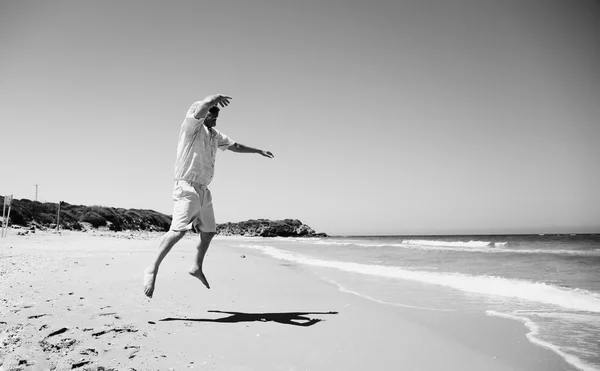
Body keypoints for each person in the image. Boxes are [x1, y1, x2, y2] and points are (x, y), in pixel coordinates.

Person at [143, 94, 274, 298]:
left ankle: (196, 266)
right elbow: (202, 106)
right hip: (186, 186)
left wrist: (258, 151)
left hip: (203, 189)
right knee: (178, 231)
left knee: (210, 231)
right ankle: (152, 268)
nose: (214, 119)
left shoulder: (214, 135)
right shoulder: (191, 129)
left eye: (216, 117)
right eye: (212, 116)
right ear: (202, 115)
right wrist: (214, 99)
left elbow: (235, 146)